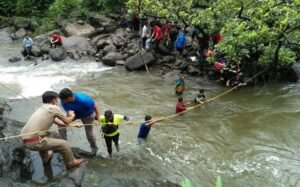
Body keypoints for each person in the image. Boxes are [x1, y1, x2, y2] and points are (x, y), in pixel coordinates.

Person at [21, 91, 84, 169]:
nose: (57, 102)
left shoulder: (42, 108)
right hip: (34, 142)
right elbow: (68, 121)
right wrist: (73, 114)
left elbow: (61, 123)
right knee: (64, 144)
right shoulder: (54, 108)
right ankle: (71, 163)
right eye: (57, 100)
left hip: (25, 141)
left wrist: (75, 125)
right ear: (54, 100)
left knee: (45, 134)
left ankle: (46, 157)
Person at [59, 88, 100, 156]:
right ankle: (64, 144)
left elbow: (95, 105)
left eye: (64, 100)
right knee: (61, 124)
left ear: (69, 97)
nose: (62, 101)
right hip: (74, 113)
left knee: (89, 133)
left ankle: (94, 148)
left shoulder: (83, 100)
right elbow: (68, 110)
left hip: (87, 115)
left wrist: (98, 120)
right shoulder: (63, 100)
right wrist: (70, 115)